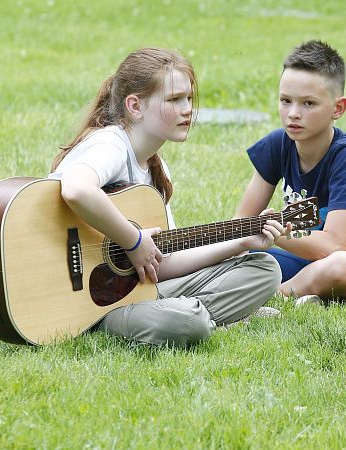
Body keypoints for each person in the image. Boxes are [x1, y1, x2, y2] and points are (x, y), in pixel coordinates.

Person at [49, 47, 284, 347]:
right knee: (189, 321)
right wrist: (132, 240)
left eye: (188, 98)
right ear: (135, 106)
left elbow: (161, 263)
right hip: (89, 303)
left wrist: (241, 242)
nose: (187, 108)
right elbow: (76, 189)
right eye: (174, 99)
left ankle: (195, 312)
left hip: (135, 291)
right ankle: (207, 315)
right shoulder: (110, 143)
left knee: (264, 269)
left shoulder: (157, 169)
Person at [234, 40, 346, 304]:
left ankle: (273, 296)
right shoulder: (278, 144)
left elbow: (333, 246)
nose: (293, 114)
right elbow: (240, 224)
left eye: (308, 103)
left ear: (337, 108)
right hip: (306, 254)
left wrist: (279, 235)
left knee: (340, 266)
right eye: (285, 101)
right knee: (244, 259)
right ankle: (302, 291)